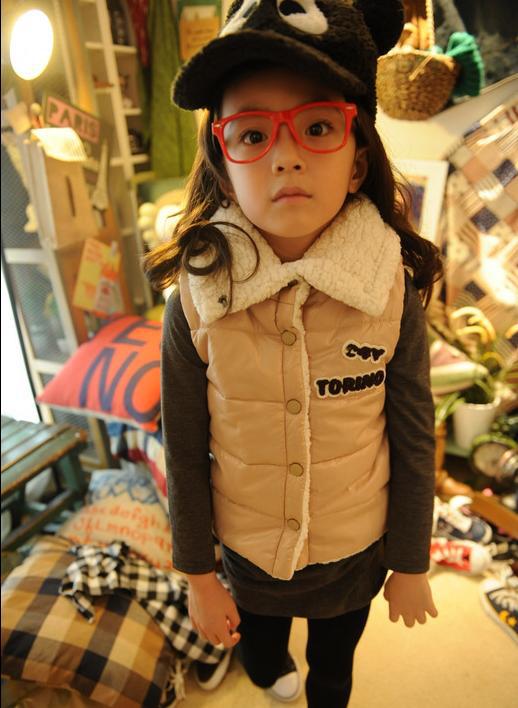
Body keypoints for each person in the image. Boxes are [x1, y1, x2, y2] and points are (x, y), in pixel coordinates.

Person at [145, 1, 442, 705]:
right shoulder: (195, 300)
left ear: (356, 158)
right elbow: (182, 446)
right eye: (252, 133)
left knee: (334, 671)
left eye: (317, 126)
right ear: (223, 167)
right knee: (264, 654)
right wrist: (198, 576)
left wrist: (411, 561)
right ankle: (270, 665)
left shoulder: (390, 291)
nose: (286, 155)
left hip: (355, 550)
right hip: (248, 554)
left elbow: (413, 434)